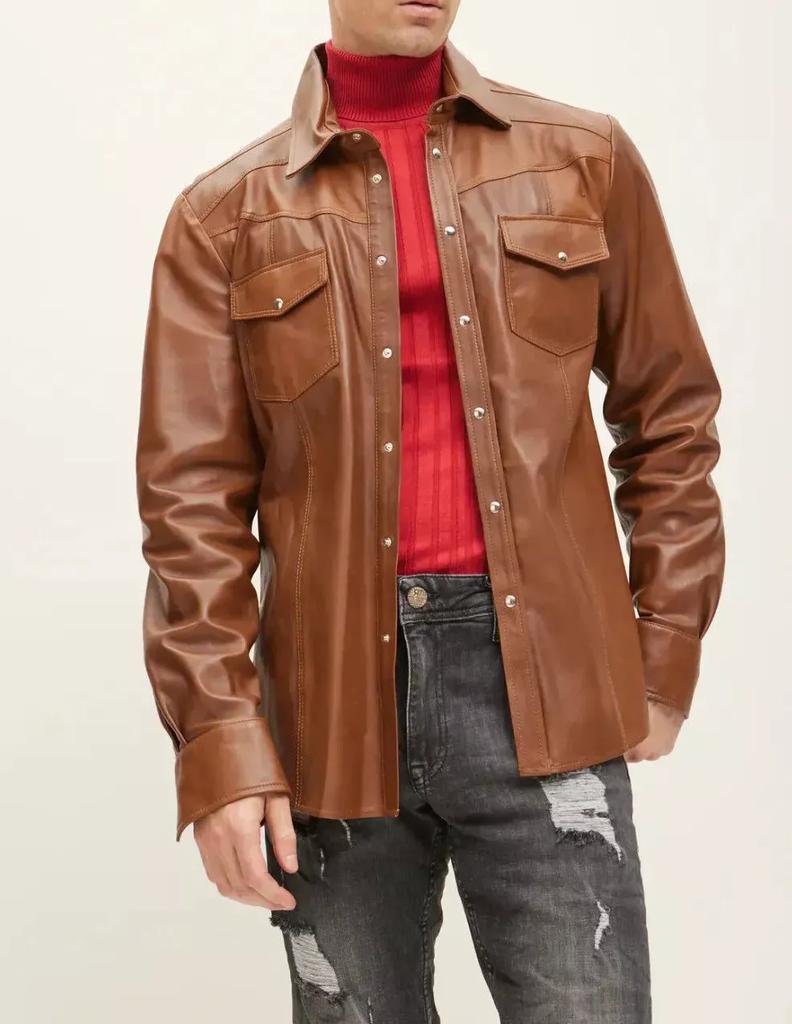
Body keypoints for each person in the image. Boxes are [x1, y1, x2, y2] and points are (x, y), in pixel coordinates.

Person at [136, 0, 725, 1020]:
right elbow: (190, 509)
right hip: (329, 711)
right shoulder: (223, 215)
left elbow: (671, 413)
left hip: (550, 685)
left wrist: (665, 647)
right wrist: (220, 747)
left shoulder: (583, 158)